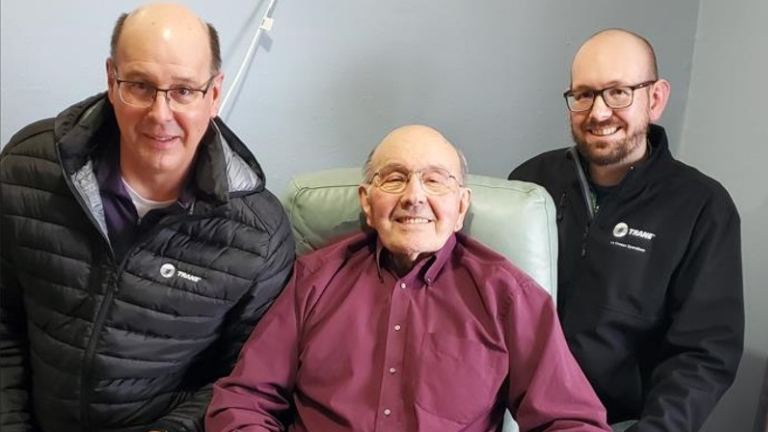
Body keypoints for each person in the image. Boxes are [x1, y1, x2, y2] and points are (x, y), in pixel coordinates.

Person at [0, 4, 295, 431]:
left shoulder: (259, 236)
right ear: (111, 80)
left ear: (213, 95)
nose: (160, 114)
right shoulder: (28, 166)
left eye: (184, 91)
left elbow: (243, 379)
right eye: (140, 85)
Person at [205, 124, 611, 432]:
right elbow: (244, 399)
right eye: (394, 177)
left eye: (435, 180)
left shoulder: (510, 297)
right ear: (367, 201)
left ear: (459, 205)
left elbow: (571, 422)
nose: (414, 196)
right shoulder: (313, 280)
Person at [509, 29, 744, 431]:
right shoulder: (529, 182)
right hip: (516, 415)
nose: (598, 113)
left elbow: (703, 355)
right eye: (583, 94)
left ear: (655, 98)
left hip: (619, 422)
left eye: (618, 92)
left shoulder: (703, 207)